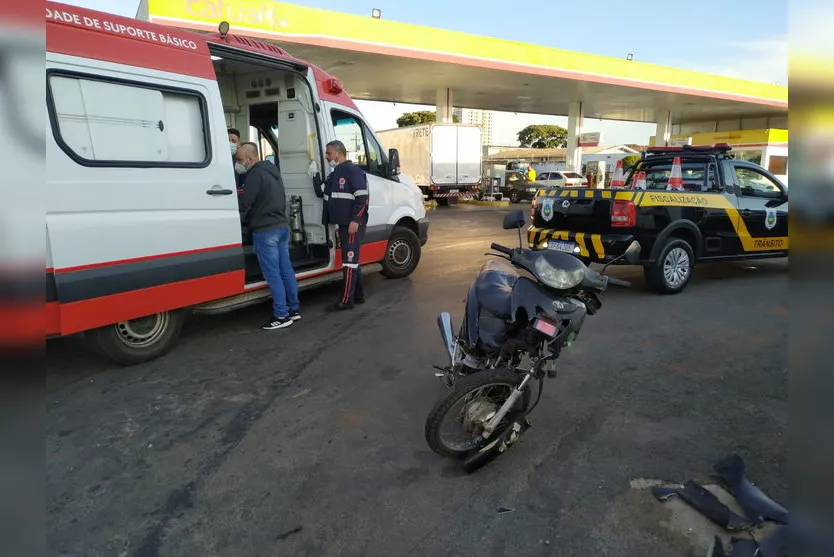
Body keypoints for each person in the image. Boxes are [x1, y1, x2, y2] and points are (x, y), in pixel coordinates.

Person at [236, 142, 301, 329]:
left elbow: (246, 203)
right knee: (286, 270)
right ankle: (294, 309)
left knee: (273, 275)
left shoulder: (254, 175)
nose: (238, 164)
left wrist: (240, 221)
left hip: (265, 230)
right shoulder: (273, 172)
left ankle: (281, 315)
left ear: (250, 159)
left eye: (240, 160)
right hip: (281, 227)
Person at [312, 140, 369, 311]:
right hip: (343, 225)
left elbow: (362, 198)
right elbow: (321, 191)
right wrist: (314, 174)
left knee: (349, 263)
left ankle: (346, 301)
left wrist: (355, 220)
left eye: (329, 153)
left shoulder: (353, 171)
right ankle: (358, 296)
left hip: (352, 225)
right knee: (352, 262)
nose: (327, 156)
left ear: (338, 153)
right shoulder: (335, 174)